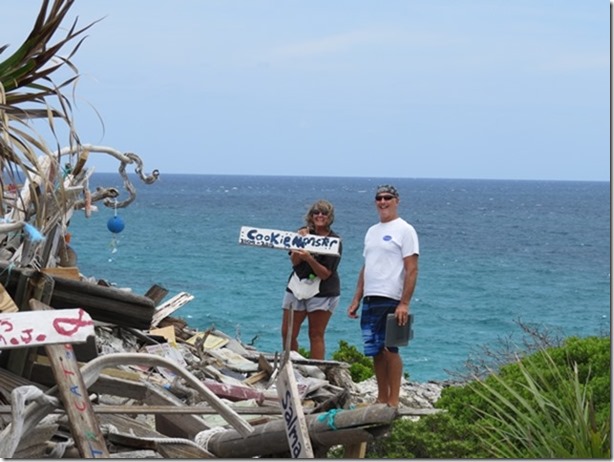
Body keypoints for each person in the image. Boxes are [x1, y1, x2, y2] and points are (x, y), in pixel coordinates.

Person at [347, 184, 419, 407]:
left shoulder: (405, 230)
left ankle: (394, 400)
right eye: (379, 198)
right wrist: (356, 298)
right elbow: (366, 267)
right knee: (375, 351)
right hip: (371, 297)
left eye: (388, 197)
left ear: (397, 200)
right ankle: (381, 397)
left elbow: (412, 268)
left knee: (390, 349)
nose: (383, 201)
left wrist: (404, 303)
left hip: (392, 299)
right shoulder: (372, 231)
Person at [281, 199, 342, 360]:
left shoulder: (334, 241)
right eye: (316, 212)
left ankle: (316, 369)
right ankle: (292, 366)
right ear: (311, 215)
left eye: (324, 213)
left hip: (323, 290)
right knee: (288, 333)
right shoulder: (303, 233)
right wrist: (299, 244)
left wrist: (309, 258)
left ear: (330, 217)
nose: (320, 215)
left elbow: (325, 274)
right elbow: (294, 262)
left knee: (315, 334)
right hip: (297, 286)